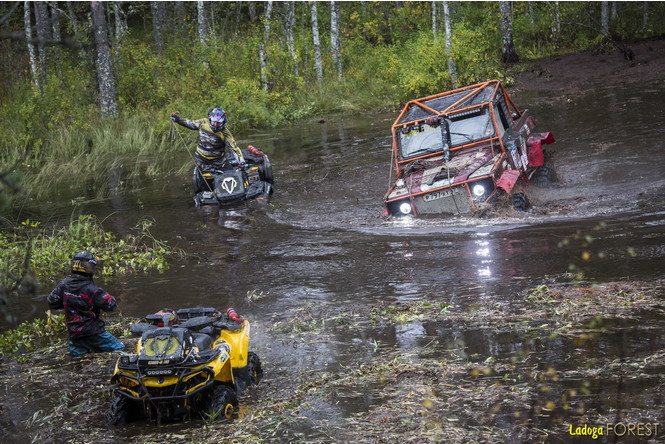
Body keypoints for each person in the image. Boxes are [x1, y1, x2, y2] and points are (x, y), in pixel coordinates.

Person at [47, 251, 124, 357]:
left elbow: (52, 302)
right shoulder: (93, 290)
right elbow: (111, 305)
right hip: (94, 333)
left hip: (74, 335)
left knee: (78, 361)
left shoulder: (63, 284)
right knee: (120, 350)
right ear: (90, 267)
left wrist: (70, 301)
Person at [171, 108, 246, 182]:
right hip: (202, 161)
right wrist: (177, 119)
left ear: (224, 122)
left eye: (219, 123)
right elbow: (190, 123)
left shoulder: (226, 133)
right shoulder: (203, 123)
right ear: (210, 119)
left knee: (232, 176)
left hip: (219, 161)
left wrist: (241, 161)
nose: (216, 125)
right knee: (205, 182)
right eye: (214, 122)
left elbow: (234, 148)